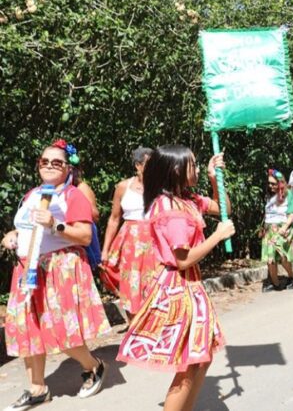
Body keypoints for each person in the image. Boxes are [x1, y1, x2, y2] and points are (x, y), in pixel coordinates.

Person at [117, 145, 235, 411]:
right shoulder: (169, 207)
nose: (196, 168)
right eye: (193, 164)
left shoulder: (187, 199)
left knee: (200, 359)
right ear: (177, 170)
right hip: (178, 287)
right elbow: (182, 260)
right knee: (189, 362)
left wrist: (214, 179)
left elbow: (222, 208)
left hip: (190, 285)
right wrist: (217, 236)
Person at [1, 139, 110, 410]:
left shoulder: (73, 195)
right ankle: (38, 388)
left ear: (67, 167)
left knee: (61, 332)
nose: (49, 166)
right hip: (27, 269)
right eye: (44, 161)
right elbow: (24, 227)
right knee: (28, 331)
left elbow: (84, 236)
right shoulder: (31, 194)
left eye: (56, 162)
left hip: (59, 269)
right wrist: (11, 235)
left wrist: (56, 224)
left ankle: (94, 366)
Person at [100, 147, 156, 319]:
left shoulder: (161, 187)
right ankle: (134, 327)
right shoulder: (123, 187)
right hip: (130, 242)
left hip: (154, 239)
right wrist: (105, 250)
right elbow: (114, 219)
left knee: (154, 281)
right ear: (138, 166)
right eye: (150, 164)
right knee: (131, 283)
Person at [260, 169, 293, 291]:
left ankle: (292, 277)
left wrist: (285, 227)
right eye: (269, 183)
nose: (271, 186)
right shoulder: (269, 194)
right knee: (270, 257)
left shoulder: (289, 194)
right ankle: (275, 283)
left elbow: (292, 213)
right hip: (269, 227)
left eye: (273, 184)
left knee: (283, 257)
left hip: (283, 227)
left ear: (281, 183)